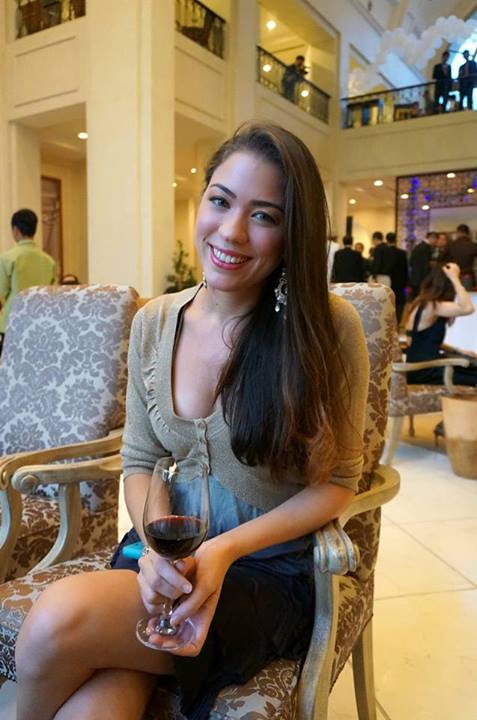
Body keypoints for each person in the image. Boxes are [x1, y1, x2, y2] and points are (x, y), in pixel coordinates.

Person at [15, 123, 368, 720]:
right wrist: (157, 552)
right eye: (221, 201)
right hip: (165, 555)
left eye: (264, 215)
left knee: (56, 622)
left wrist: (222, 552)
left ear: (293, 233)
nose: (232, 231)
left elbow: (338, 482)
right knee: (94, 708)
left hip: (265, 571)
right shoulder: (154, 321)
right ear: (201, 200)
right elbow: (139, 459)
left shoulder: (326, 329)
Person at [405, 262, 476, 386]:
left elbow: (426, 341)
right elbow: (468, 308)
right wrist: (455, 279)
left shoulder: (425, 302)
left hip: (426, 366)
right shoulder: (431, 305)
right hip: (424, 370)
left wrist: (458, 351)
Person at [0, 209, 56, 354]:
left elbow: (1, 293)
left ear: (15, 230)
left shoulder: (8, 258)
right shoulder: (49, 261)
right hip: (40, 321)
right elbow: (53, 294)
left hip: (12, 321)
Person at [386, 232, 409, 325]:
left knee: (388, 301)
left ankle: (388, 323)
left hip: (387, 281)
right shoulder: (402, 253)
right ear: (396, 240)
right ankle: (398, 322)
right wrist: (406, 283)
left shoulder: (385, 252)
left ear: (387, 240)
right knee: (399, 302)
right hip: (400, 282)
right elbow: (405, 269)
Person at [447, 223, 477, 290]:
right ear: (468, 233)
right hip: (467, 276)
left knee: (453, 295)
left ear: (458, 232)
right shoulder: (473, 245)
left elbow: (442, 260)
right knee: (466, 295)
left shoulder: (451, 245)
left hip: (453, 275)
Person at [409, 231, 437, 299]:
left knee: (414, 298)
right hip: (421, 278)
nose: (435, 242)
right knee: (420, 298)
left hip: (415, 277)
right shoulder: (426, 248)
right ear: (431, 238)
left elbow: (411, 262)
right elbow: (425, 266)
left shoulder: (419, 246)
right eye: (435, 239)